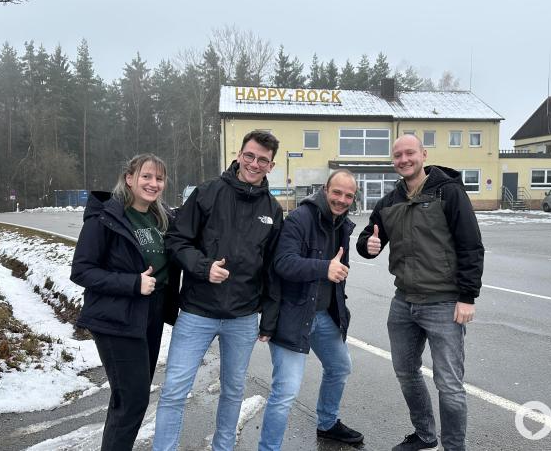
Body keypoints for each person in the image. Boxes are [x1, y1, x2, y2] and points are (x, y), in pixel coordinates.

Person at [153, 130, 283, 451]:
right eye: (249, 156)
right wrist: (202, 267)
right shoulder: (207, 193)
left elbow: (272, 270)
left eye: (262, 160)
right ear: (239, 155)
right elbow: (176, 241)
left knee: (233, 391)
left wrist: (269, 318)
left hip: (242, 318)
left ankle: (223, 447)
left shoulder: (273, 210)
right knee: (173, 391)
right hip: (197, 312)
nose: (254, 163)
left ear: (271, 165)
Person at [356, 134, 484, 451]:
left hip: (444, 303)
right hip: (404, 303)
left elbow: (471, 245)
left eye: (409, 152)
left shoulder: (449, 192)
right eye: (397, 155)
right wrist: (367, 247)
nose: (404, 159)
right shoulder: (389, 202)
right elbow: (367, 238)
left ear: (423, 154)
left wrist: (467, 296)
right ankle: (425, 435)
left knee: (449, 385)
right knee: (406, 373)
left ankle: (454, 447)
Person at [71, 154, 177, 451]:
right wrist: (132, 283)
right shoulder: (106, 216)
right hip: (116, 316)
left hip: (150, 314)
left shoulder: (162, 217)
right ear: (129, 178)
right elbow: (81, 270)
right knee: (132, 399)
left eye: (159, 178)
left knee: (130, 398)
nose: (153, 183)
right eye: (146, 176)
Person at [259, 169, 363, 451]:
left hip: (323, 314)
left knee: (340, 367)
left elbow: (338, 274)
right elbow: (283, 263)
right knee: (285, 392)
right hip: (293, 315)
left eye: (348, 196)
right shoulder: (300, 219)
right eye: (337, 193)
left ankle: (327, 423)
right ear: (325, 190)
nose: (342, 200)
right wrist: (323, 268)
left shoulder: (342, 224)